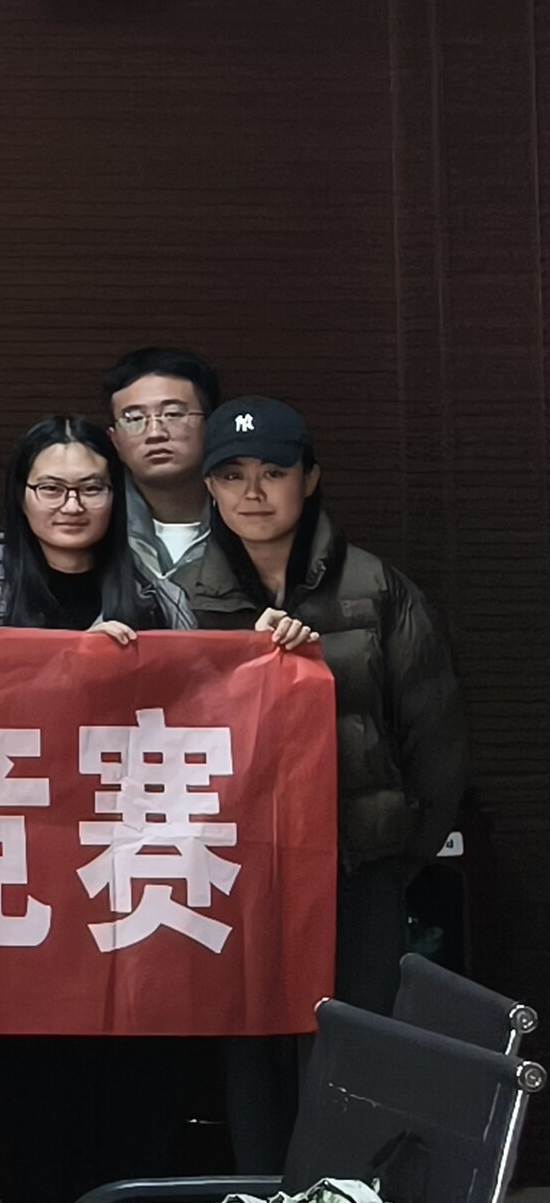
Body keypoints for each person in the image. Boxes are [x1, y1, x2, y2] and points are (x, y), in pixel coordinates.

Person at [176, 397, 468, 1163]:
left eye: (274, 472)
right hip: (231, 876)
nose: (253, 492)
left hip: (357, 872)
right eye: (232, 475)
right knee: (251, 1060)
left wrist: (392, 857)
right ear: (209, 489)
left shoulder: (379, 590)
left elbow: (436, 742)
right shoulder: (182, 597)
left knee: (354, 1053)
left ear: (309, 479)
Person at [0, 418, 196, 1203]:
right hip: (21, 866)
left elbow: (201, 715)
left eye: (92, 488)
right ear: (20, 496)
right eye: (51, 488)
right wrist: (64, 664)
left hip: (131, 865)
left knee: (139, 1078)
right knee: (41, 1085)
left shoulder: (155, 594)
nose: (71, 505)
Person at [102, 347, 224, 576]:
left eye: (173, 414)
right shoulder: (95, 524)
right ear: (115, 440)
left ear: (211, 425)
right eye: (135, 419)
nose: (155, 433)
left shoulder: (249, 516)